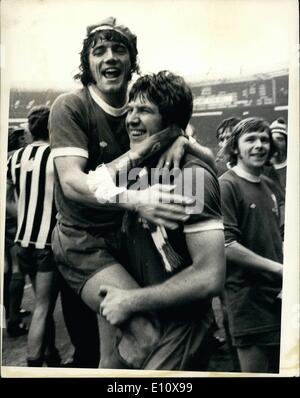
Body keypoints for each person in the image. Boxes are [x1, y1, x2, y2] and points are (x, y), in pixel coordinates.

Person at [49, 17, 216, 367]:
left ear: (131, 60)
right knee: (145, 335)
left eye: (119, 49)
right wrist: (137, 200)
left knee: (111, 354)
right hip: (85, 240)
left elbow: (208, 158)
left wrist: (181, 138)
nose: (109, 57)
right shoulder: (71, 106)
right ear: (88, 64)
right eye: (99, 51)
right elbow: (73, 184)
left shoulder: (139, 106)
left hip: (123, 237)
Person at [97, 71, 226, 370]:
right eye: (130, 109)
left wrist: (130, 302)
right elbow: (83, 187)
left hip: (179, 327)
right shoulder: (136, 170)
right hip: (141, 322)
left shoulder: (192, 176)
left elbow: (210, 276)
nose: (131, 119)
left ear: (171, 120)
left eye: (144, 110)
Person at [219, 117, 283, 373]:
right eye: (251, 139)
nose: (259, 146)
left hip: (278, 297)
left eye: (264, 139)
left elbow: (281, 233)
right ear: (235, 147)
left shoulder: (269, 185)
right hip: (248, 301)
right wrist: (279, 270)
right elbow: (226, 245)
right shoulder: (227, 185)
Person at [7, 106, 60, 366]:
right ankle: (34, 364)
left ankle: (51, 355)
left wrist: (23, 215)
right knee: (42, 307)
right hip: (47, 244)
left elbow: (5, 199)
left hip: (22, 240)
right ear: (52, 127)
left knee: (43, 305)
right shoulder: (56, 156)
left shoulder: (15, 157)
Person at [264, 117, 287, 239]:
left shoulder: (294, 166)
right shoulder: (262, 168)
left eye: (280, 139)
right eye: (272, 139)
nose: (276, 143)